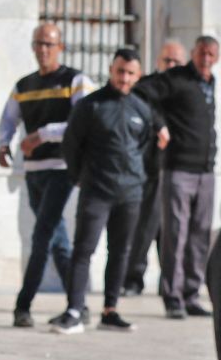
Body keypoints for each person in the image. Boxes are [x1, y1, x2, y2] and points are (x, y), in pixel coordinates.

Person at [52, 49, 157, 334]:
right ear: (111, 70)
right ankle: (74, 310)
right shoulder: (90, 106)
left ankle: (111, 310)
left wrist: (137, 178)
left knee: (121, 251)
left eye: (130, 73)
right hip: (97, 190)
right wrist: (79, 177)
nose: (124, 78)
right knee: (84, 249)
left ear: (138, 76)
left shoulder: (141, 109)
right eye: (120, 71)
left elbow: (145, 147)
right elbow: (72, 145)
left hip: (130, 192)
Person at [0, 23, 93, 327]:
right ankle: (78, 303)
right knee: (57, 240)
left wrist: (43, 135)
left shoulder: (75, 80)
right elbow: (8, 120)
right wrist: (2, 144)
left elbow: (84, 122)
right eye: (38, 44)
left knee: (42, 236)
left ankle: (22, 306)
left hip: (62, 169)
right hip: (34, 170)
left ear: (60, 47)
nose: (43, 50)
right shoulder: (24, 85)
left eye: (49, 44)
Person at [134, 35, 218, 318]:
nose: (206, 59)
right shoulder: (175, 78)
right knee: (175, 235)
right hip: (178, 168)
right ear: (193, 53)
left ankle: (191, 294)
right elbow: (141, 91)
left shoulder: (210, 83)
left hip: (206, 171)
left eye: (211, 54)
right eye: (201, 53)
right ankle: (172, 296)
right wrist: (159, 125)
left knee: (200, 236)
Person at [122, 40, 188, 297]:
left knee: (173, 229)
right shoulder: (147, 86)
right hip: (150, 166)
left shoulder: (188, 87)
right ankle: (133, 279)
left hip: (180, 167)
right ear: (158, 61)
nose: (171, 66)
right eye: (167, 61)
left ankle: (171, 284)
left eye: (176, 62)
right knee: (145, 224)